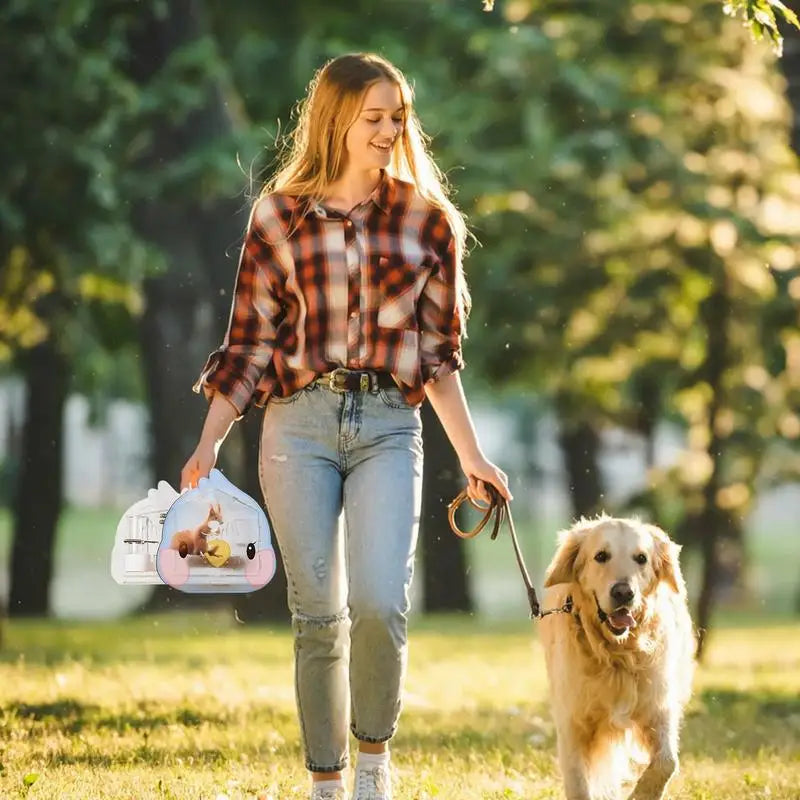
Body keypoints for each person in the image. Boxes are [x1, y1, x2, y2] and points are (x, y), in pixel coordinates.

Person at [180, 52, 511, 800]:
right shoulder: (280, 215)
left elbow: (438, 359)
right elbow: (248, 344)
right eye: (375, 118)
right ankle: (326, 779)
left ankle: (371, 763)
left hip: (391, 426)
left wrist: (475, 458)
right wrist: (209, 440)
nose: (391, 130)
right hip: (297, 427)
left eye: (399, 116)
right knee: (318, 613)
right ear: (336, 120)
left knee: (380, 605)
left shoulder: (429, 223)